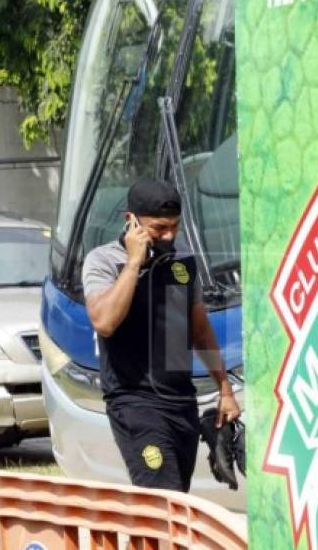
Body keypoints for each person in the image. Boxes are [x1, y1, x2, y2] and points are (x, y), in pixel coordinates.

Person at [82, 178, 241, 492]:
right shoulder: (103, 261)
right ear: (132, 221)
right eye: (158, 228)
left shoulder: (183, 261)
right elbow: (105, 322)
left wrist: (224, 388)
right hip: (134, 404)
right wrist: (133, 264)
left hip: (181, 403)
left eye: (175, 227)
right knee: (162, 500)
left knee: (176, 503)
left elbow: (200, 330)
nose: (169, 236)